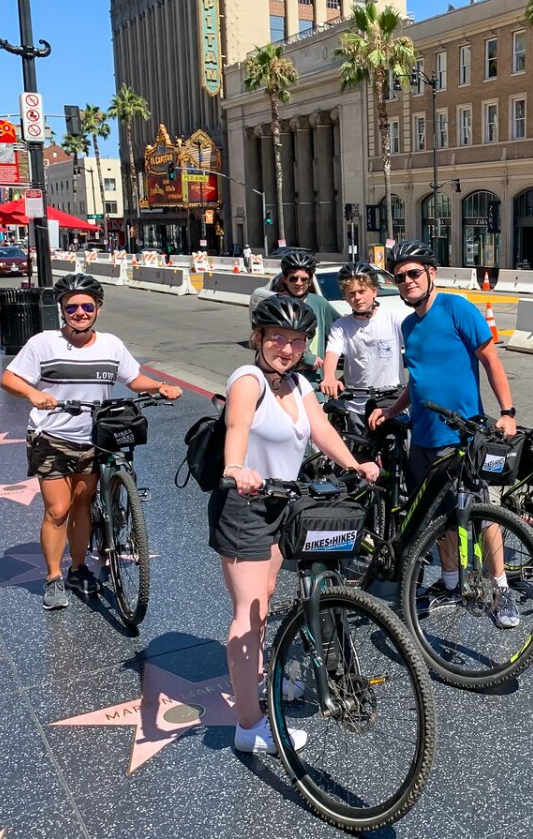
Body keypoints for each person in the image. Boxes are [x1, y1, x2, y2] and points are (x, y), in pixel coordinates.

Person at [211, 295, 379, 755]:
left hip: (283, 503)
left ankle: (261, 679)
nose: (287, 348)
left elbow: (321, 429)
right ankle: (249, 727)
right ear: (259, 338)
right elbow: (237, 428)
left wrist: (354, 463)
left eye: (297, 341)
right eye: (278, 338)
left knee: (265, 598)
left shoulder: (299, 383)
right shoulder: (247, 380)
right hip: (245, 504)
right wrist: (235, 468)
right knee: (251, 612)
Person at [0, 273, 182, 612]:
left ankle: (78, 567)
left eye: (87, 306)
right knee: (58, 509)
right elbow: (8, 378)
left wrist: (159, 386)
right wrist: (33, 393)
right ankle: (53, 578)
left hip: (94, 437)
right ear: (62, 310)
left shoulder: (111, 345)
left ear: (98, 308)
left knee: (82, 505)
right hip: (51, 436)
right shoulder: (43, 343)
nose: (80, 312)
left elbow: (133, 377)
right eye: (72, 307)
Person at [368, 239, 521, 628]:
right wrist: (393, 410)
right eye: (399, 277)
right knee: (436, 516)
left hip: (463, 436)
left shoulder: (456, 308)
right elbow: (417, 380)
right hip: (424, 437)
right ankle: (450, 581)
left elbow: (490, 360)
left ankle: (501, 587)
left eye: (414, 273)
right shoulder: (408, 325)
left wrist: (507, 413)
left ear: (431, 273)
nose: (407, 282)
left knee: (483, 515)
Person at [320, 262, 407, 428]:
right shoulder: (341, 326)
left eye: (362, 291)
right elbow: (332, 352)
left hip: (392, 402)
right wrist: (329, 376)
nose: (357, 297)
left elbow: (417, 347)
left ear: (374, 291)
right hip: (357, 405)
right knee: (357, 452)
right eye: (351, 293)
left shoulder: (393, 318)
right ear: (345, 297)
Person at [274, 250, 338, 393]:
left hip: (313, 383)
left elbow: (339, 331)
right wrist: (307, 358)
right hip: (281, 380)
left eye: (304, 279)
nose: (299, 283)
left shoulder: (320, 304)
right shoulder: (274, 305)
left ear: (310, 281)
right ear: (284, 279)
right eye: (293, 278)